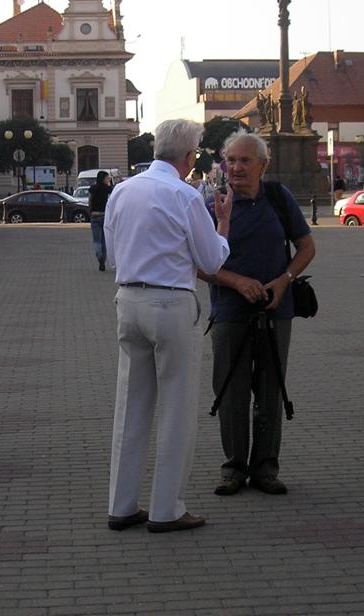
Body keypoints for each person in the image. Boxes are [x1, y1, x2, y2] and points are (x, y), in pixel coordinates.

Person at [103, 119, 233, 533]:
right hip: (171, 302)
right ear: (189, 156)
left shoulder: (123, 190)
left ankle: (122, 504)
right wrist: (223, 224)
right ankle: (166, 509)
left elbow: (112, 250)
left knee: (131, 406)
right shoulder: (185, 194)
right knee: (176, 408)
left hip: (128, 298)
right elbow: (211, 260)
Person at [198, 132, 315, 496]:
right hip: (230, 311)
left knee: (270, 390)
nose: (235, 168)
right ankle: (233, 468)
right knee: (231, 392)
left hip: (275, 310)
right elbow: (198, 264)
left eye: (245, 161)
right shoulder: (212, 204)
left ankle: (265, 468)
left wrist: (284, 281)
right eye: (230, 160)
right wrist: (236, 282)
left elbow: (307, 247)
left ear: (263, 165)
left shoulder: (279, 198)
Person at [88, 170, 112, 270]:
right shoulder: (108, 189)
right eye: (107, 178)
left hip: (95, 215)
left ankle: (99, 256)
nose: (108, 179)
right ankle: (103, 260)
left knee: (96, 240)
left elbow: (90, 201)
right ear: (103, 178)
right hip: (105, 215)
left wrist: (90, 212)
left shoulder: (93, 188)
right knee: (104, 240)